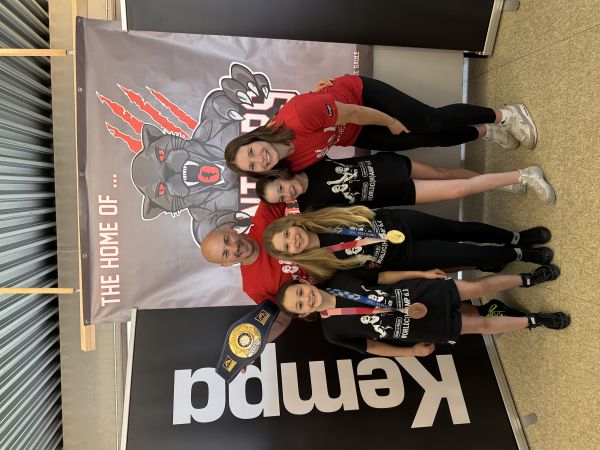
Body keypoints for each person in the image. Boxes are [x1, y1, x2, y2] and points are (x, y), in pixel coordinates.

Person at [224, 75, 537, 178]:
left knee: (429, 120)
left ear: (254, 138)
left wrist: (390, 121)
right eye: (252, 165)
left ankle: (505, 115)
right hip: (353, 132)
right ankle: (487, 131)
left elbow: (355, 112)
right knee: (426, 140)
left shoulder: (297, 117)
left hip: (358, 97)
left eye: (251, 152)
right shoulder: (289, 165)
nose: (258, 158)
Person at [276, 266, 569, 357]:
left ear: (304, 283)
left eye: (300, 292)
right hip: (416, 328)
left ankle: (526, 279)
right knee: (480, 324)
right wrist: (411, 352)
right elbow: (374, 347)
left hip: (419, 292)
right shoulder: (333, 332)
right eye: (299, 305)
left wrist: (423, 273)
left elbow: (383, 277)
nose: (306, 299)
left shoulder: (338, 279)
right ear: (302, 315)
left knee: (477, 288)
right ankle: (534, 321)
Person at [263, 205, 553, 280]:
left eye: (287, 234)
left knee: (459, 229)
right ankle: (521, 254)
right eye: (287, 246)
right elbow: (379, 278)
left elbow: (363, 210)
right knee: (468, 253)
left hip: (399, 223)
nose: (293, 240)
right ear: (293, 255)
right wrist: (419, 274)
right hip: (408, 255)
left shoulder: (322, 215)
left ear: (292, 224)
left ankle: (515, 237)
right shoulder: (325, 268)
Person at [255, 153, 555, 208]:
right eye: (281, 198)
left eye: (280, 187)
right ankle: (516, 177)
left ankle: (520, 176)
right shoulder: (310, 206)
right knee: (456, 191)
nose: (287, 193)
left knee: (447, 175)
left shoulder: (309, 160)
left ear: (282, 175)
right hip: (395, 194)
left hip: (388, 167)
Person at [200, 201, 313, 303]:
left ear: (230, 231)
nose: (234, 247)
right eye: (226, 253)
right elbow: (288, 313)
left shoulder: (263, 219)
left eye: (227, 240)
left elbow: (288, 188)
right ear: (227, 264)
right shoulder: (254, 288)